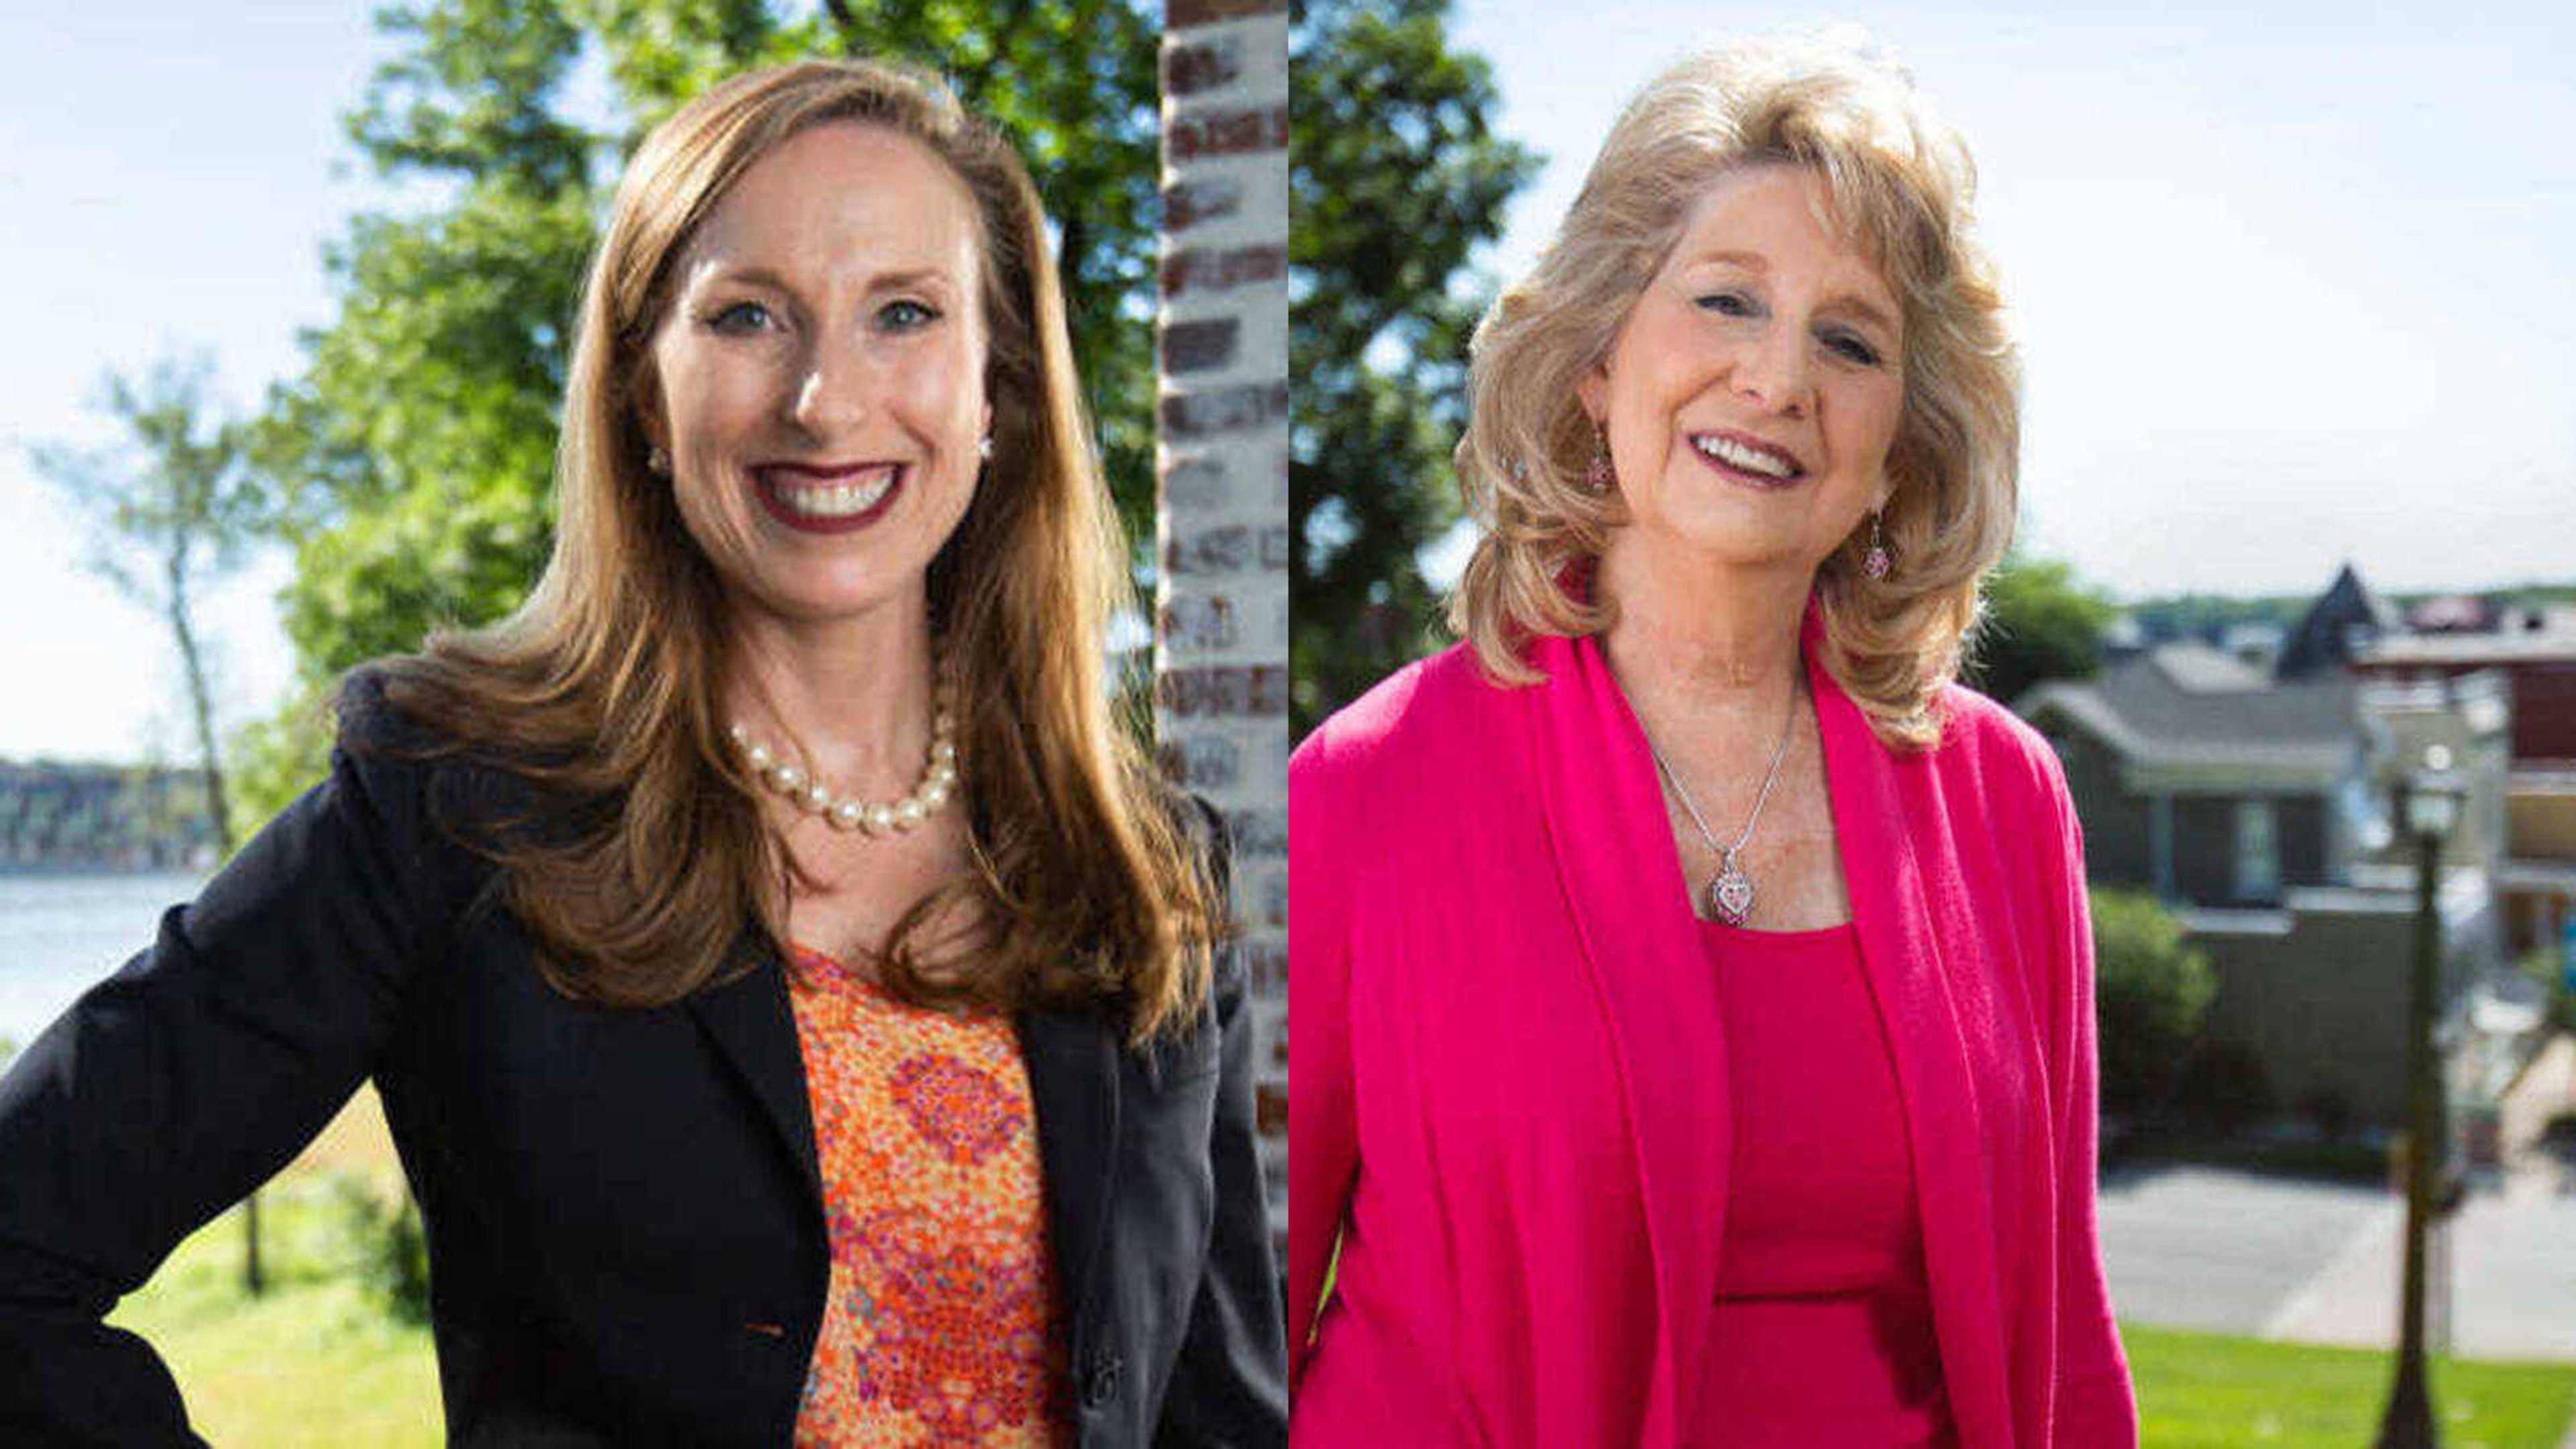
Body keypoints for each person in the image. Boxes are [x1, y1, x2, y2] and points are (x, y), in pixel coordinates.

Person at [0, 58, 1285, 1448]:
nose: (824, 401)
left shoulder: (1147, 871)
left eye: (903, 314)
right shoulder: (459, 804)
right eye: (746, 318)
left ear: (998, 395)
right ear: (640, 401)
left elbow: (1216, 1416)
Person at [1289, 35, 2135, 1448]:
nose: (1776, 378)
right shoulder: (1364, 792)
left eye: (1849, 339)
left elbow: (2065, 1325)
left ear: (1899, 449)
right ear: (1597, 363)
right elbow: (1227, 1311)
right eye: (1726, 300)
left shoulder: (2004, 797)